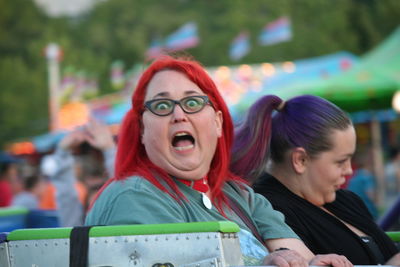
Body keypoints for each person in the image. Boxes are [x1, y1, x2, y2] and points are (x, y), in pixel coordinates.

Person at [85, 56, 351, 267]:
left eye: (192, 102)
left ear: (217, 122)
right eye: (162, 106)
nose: (178, 114)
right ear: (142, 130)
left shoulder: (241, 195)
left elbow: (296, 255)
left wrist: (308, 262)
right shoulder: (135, 195)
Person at [230, 94, 400, 265]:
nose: (348, 170)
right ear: (300, 160)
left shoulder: (347, 200)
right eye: (340, 161)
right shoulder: (269, 210)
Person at [41, 118, 116, 226]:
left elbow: (123, 186)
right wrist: (62, 152)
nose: (96, 218)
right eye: (91, 210)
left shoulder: (119, 229)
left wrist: (110, 149)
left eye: (101, 210)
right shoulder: (77, 229)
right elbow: (67, 197)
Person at [347, 150, 378, 219]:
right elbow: (371, 195)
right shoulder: (367, 177)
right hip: (368, 211)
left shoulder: (353, 177)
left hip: (356, 211)